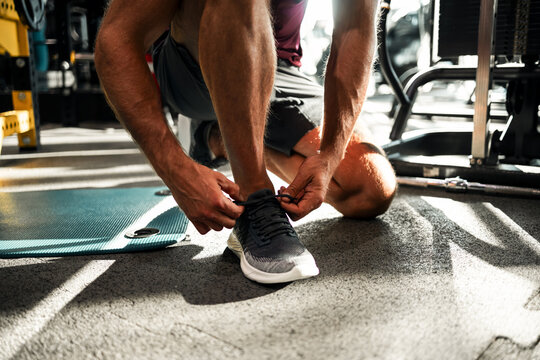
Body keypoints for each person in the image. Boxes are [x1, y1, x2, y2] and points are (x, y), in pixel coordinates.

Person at [94, 0, 397, 284]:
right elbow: (116, 39)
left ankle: (216, 137)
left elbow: (355, 28)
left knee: (367, 188)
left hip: (278, 67)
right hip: (191, 65)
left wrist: (330, 153)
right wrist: (175, 169)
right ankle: (255, 198)